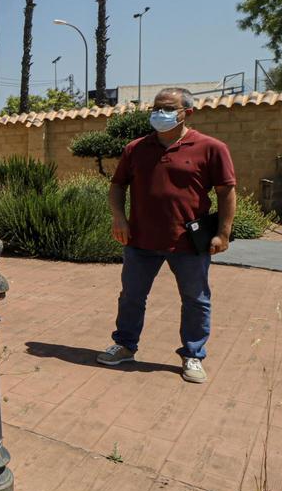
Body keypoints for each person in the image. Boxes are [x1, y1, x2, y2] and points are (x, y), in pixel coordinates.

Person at [97, 87, 236, 383]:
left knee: (196, 300)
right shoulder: (136, 149)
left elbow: (226, 192)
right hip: (140, 241)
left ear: (188, 112)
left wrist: (223, 233)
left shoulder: (211, 148)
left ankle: (193, 355)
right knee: (131, 296)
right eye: (157, 108)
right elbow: (118, 186)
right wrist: (119, 218)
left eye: (168, 108)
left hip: (188, 242)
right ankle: (125, 345)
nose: (160, 113)